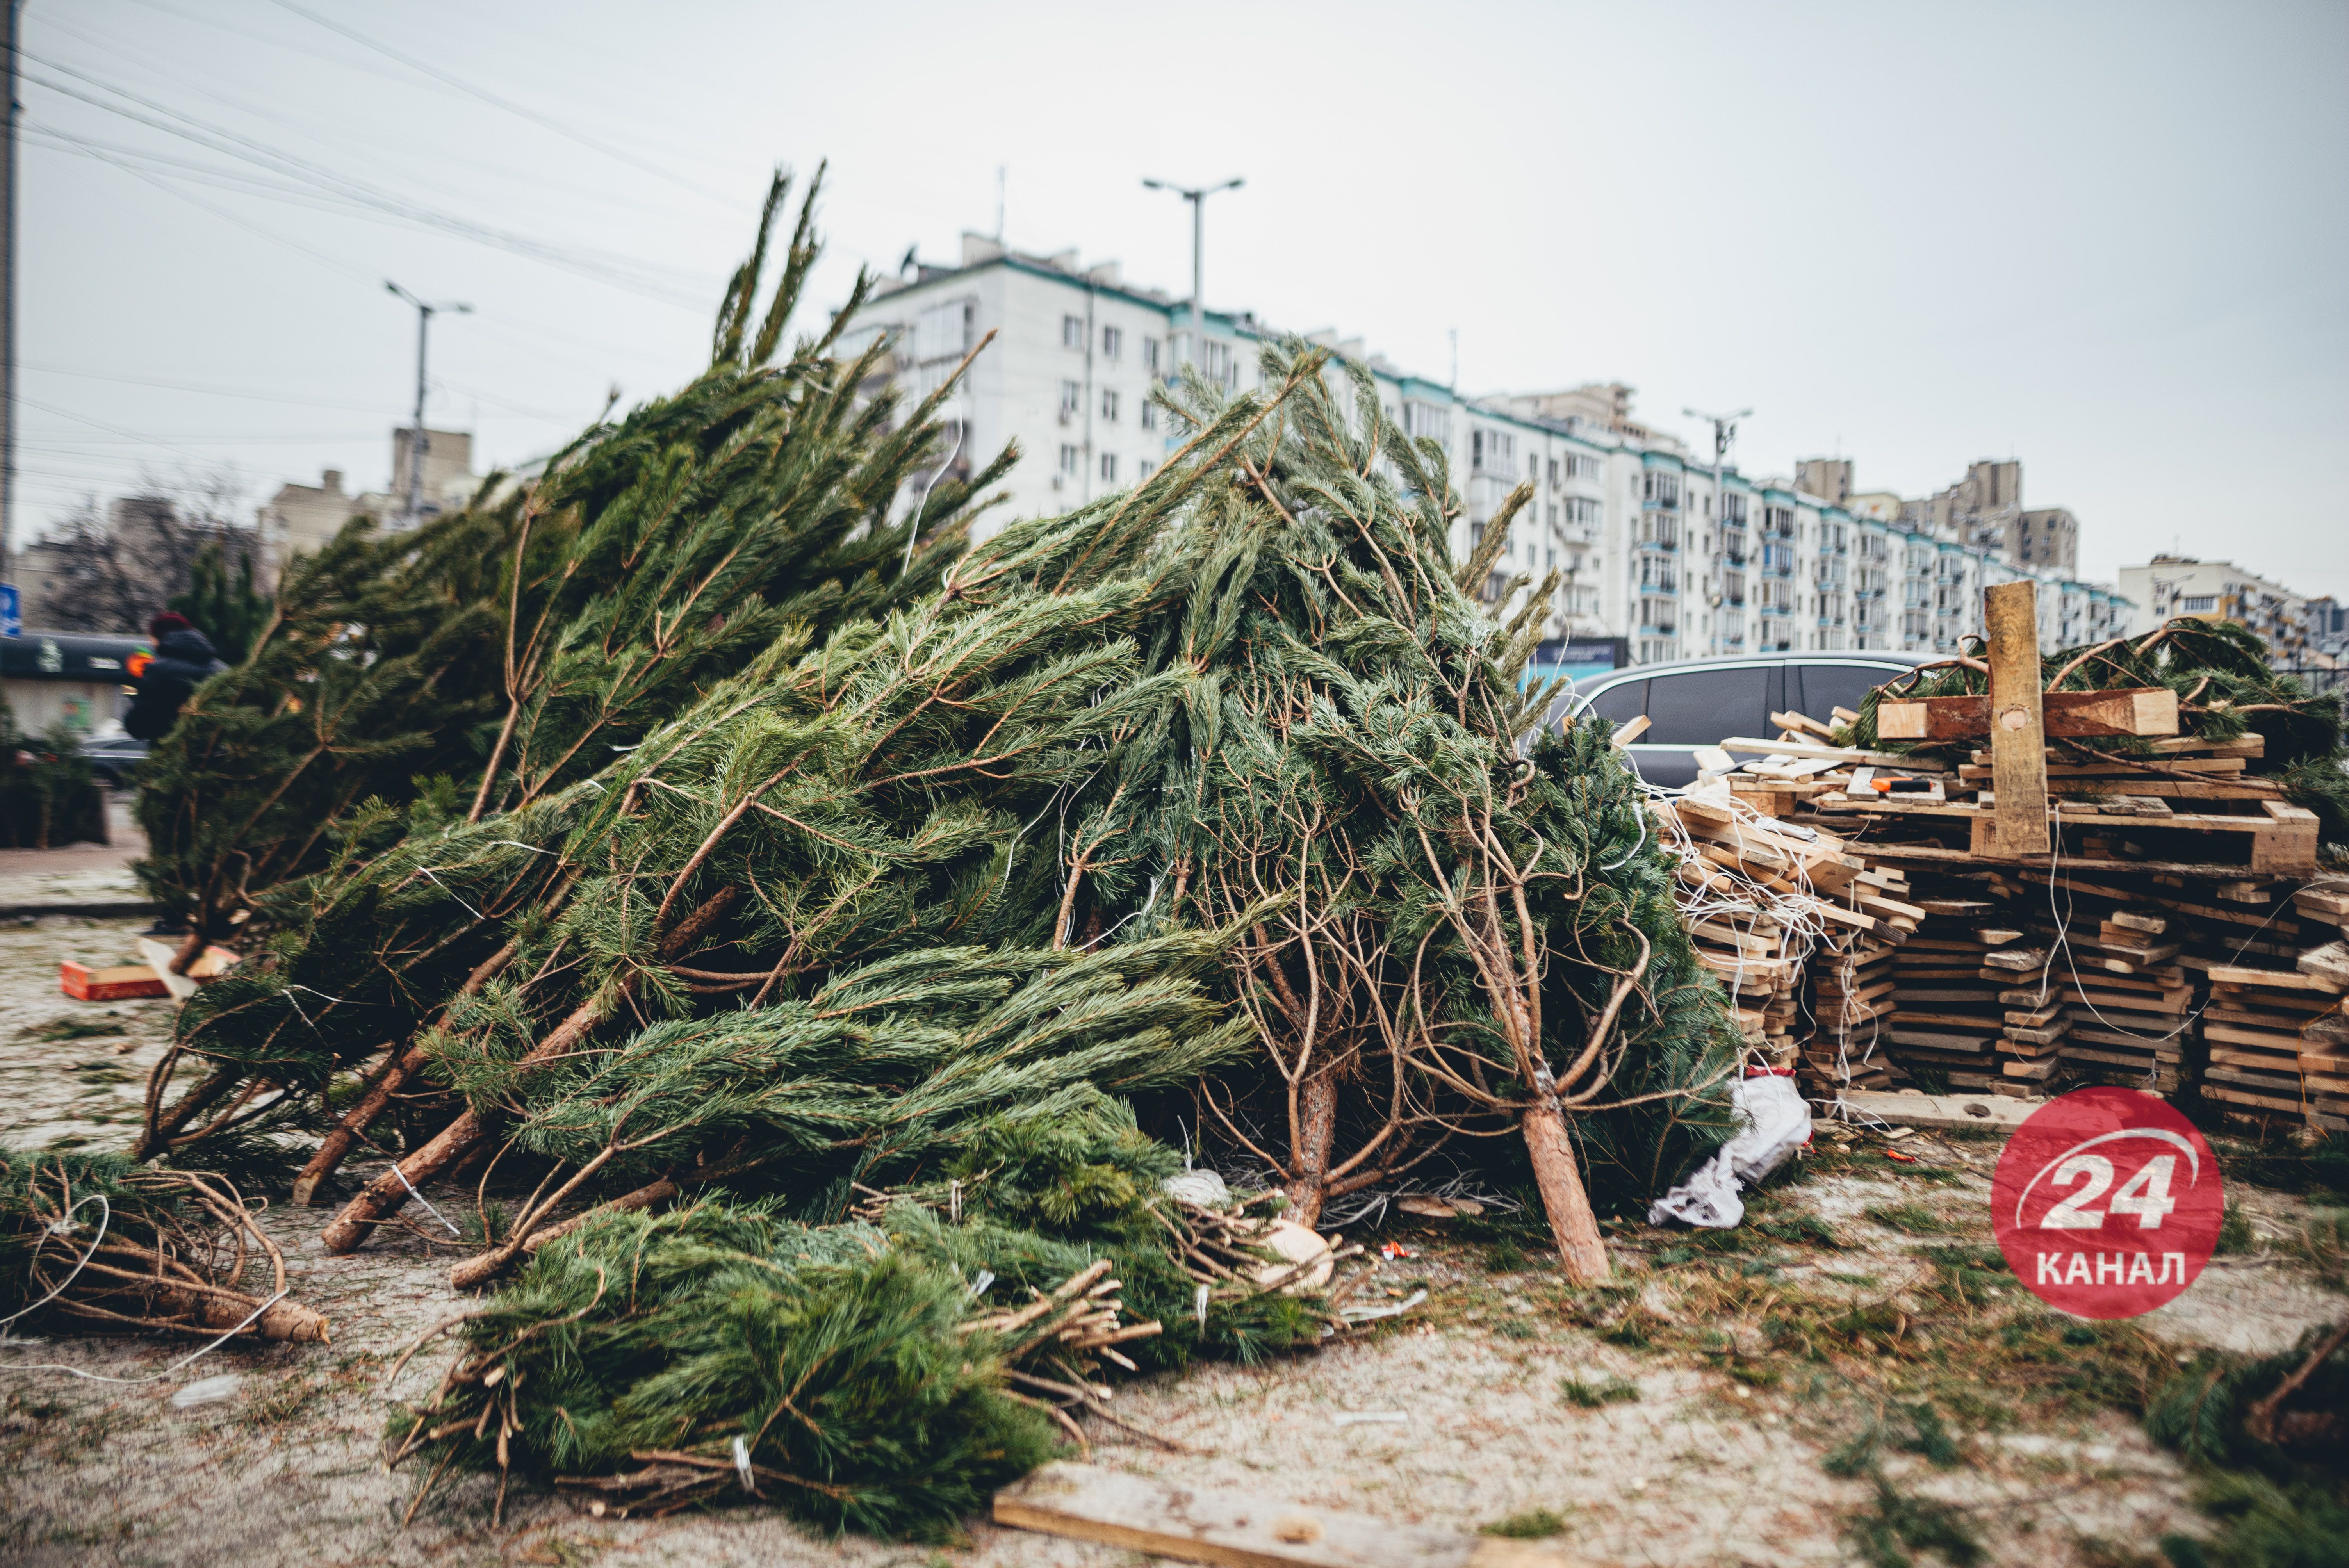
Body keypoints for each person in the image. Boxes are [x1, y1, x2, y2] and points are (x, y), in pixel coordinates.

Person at [123, 611, 228, 741]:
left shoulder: (158, 671)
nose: (151, 643)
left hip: (173, 749)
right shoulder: (222, 669)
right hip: (218, 749)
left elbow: (136, 726)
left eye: (152, 638)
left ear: (159, 637)